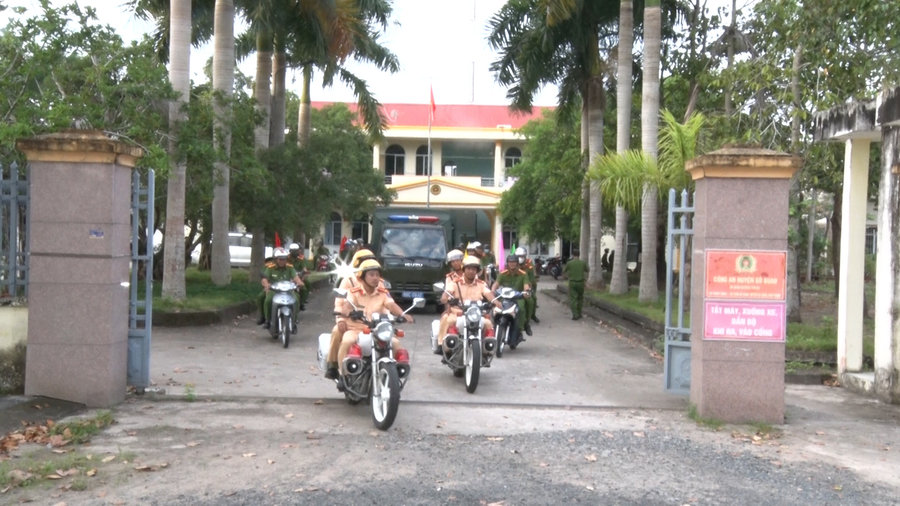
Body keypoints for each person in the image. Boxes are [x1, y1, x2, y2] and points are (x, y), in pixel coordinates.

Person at [336, 259, 413, 373]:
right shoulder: (354, 292)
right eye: (371, 275)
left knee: (396, 344)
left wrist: (403, 314)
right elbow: (347, 305)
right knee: (347, 341)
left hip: (377, 330)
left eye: (377, 275)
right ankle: (343, 373)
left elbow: (391, 305)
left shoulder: (383, 293)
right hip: (356, 329)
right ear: (362, 277)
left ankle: (397, 374)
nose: (375, 278)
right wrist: (346, 312)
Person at [324, 248, 379, 379]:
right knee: (337, 331)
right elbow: (339, 302)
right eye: (365, 260)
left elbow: (387, 300)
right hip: (352, 320)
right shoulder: (349, 280)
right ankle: (333, 366)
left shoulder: (378, 281)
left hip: (373, 322)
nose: (368, 263)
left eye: (371, 260)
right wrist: (340, 320)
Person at [439, 256, 499, 354]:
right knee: (449, 320)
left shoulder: (481, 284)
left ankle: (487, 349)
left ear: (477, 271)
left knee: (488, 323)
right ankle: (443, 345)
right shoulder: (455, 283)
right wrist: (445, 297)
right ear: (464, 269)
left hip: (476, 314)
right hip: (458, 313)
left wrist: (495, 301)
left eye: (474, 269)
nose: (471, 271)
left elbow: (488, 293)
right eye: (469, 268)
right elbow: (447, 292)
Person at [434, 249, 469, 354]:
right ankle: (441, 344)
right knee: (445, 318)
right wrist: (447, 306)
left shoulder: (470, 274)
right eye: (453, 261)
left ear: (462, 261)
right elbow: (447, 293)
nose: (455, 263)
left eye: (457, 260)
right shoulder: (449, 277)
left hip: (470, 307)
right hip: (455, 307)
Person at [261, 248, 305, 329]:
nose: (282, 261)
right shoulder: (270, 268)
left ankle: (294, 321)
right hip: (274, 291)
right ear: (276, 259)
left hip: (287, 290)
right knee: (268, 300)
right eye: (280, 259)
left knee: (296, 299)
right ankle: (268, 320)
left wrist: (299, 282)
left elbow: (295, 277)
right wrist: (266, 285)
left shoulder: (290, 267)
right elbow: (264, 279)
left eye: (284, 259)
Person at [491, 254, 532, 337]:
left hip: (518, 297)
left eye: (514, 262)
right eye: (510, 262)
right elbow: (496, 284)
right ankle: (494, 326)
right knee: (495, 308)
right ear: (507, 263)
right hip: (504, 297)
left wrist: (526, 292)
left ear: (517, 263)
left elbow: (526, 286)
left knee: (523, 308)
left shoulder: (523, 274)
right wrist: (492, 291)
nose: (512, 264)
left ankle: (523, 325)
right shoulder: (503, 273)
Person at [516, 246, 539, 324]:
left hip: (528, 284)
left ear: (525, 256)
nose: (520, 258)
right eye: (518, 256)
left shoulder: (529, 263)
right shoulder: (513, 263)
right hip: (517, 285)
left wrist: (531, 285)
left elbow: (532, 275)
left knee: (533, 299)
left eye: (522, 256)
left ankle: (532, 315)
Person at [563, 249, 588, 320]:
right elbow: (587, 270)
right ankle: (579, 313)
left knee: (573, 299)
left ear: (573, 255)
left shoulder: (569, 263)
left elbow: (564, 271)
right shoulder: (583, 263)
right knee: (580, 298)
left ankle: (575, 314)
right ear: (579, 255)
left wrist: (567, 277)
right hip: (581, 282)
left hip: (572, 282)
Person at [288, 243, 310, 311]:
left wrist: (302, 278)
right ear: (290, 251)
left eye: (297, 250)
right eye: (293, 251)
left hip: (298, 276)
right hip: (288, 277)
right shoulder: (286, 259)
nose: (296, 252)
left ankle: (301, 303)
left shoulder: (300, 259)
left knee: (304, 288)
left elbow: (304, 268)